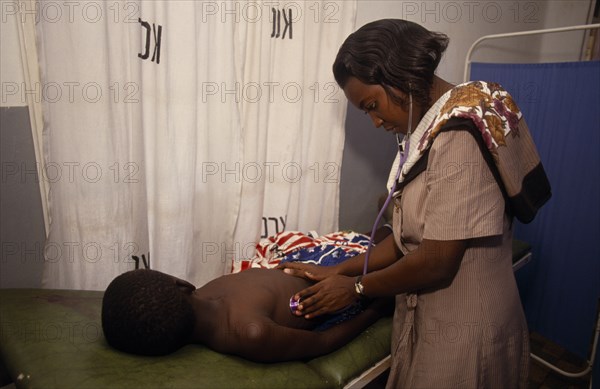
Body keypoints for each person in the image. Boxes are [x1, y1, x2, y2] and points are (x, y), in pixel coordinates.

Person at [280, 19, 550, 388]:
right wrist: (342, 270)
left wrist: (357, 288)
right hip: (429, 316)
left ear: (400, 75)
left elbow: (437, 261)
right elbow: (409, 238)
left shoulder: (458, 137)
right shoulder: (432, 127)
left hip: (467, 327)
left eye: (373, 105)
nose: (375, 121)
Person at [101, 267, 391, 363]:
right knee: (387, 263)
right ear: (181, 283)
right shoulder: (251, 332)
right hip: (335, 299)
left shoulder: (207, 292)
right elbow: (323, 343)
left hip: (312, 270)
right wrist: (375, 309)